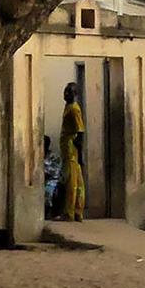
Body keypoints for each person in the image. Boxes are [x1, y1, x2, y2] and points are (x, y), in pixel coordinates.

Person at [58, 83, 87, 222]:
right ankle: (77, 212)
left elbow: (80, 132)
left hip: (71, 147)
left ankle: (70, 212)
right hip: (68, 146)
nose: (66, 95)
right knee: (77, 180)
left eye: (69, 92)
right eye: (65, 92)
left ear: (75, 94)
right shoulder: (69, 107)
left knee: (72, 181)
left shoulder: (74, 109)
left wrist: (80, 154)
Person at [42, 134, 62, 215]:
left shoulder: (54, 156)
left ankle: (47, 212)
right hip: (40, 179)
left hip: (52, 180)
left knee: (48, 191)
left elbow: (55, 172)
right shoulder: (37, 155)